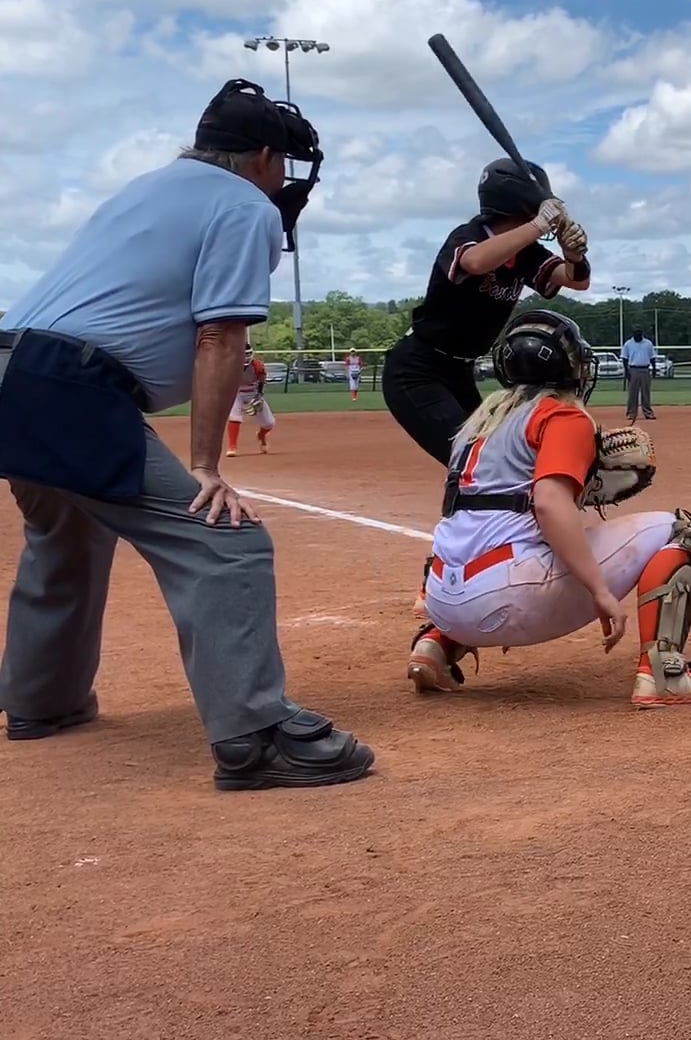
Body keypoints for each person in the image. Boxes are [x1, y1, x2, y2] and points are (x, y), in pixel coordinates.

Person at [0, 78, 374, 790]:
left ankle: (40, 701)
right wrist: (207, 466)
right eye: (283, 164)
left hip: (14, 369)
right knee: (224, 544)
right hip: (67, 386)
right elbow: (220, 334)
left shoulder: (146, 188)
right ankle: (254, 738)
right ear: (262, 157)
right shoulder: (243, 204)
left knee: (67, 535)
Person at [406, 310, 691, 709]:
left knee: (479, 536)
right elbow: (548, 503)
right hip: (506, 599)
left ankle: (436, 644)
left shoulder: (476, 425)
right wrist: (600, 591)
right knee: (679, 531)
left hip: (441, 600)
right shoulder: (561, 415)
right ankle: (664, 675)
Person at [380, 158, 592, 615]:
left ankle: (484, 559)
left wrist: (575, 254)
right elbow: (475, 262)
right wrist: (539, 226)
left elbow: (575, 282)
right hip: (417, 370)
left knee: (483, 463)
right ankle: (439, 576)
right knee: (468, 467)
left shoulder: (526, 251)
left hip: (458, 373)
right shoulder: (470, 235)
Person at [225, 343, 275, 455]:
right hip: (236, 393)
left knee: (269, 423)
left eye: (248, 354)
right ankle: (232, 447)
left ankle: (261, 435)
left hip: (253, 393)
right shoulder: (229, 365)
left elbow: (261, 382)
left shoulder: (257, 366)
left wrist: (258, 396)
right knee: (234, 417)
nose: (246, 357)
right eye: (243, 354)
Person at [621, 330, 656, 422]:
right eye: (636, 334)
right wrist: (626, 371)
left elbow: (652, 357)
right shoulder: (628, 344)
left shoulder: (648, 344)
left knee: (646, 393)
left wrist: (654, 368)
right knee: (632, 393)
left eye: (639, 334)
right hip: (633, 369)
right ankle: (631, 413)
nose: (638, 336)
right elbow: (625, 359)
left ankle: (648, 412)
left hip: (645, 369)